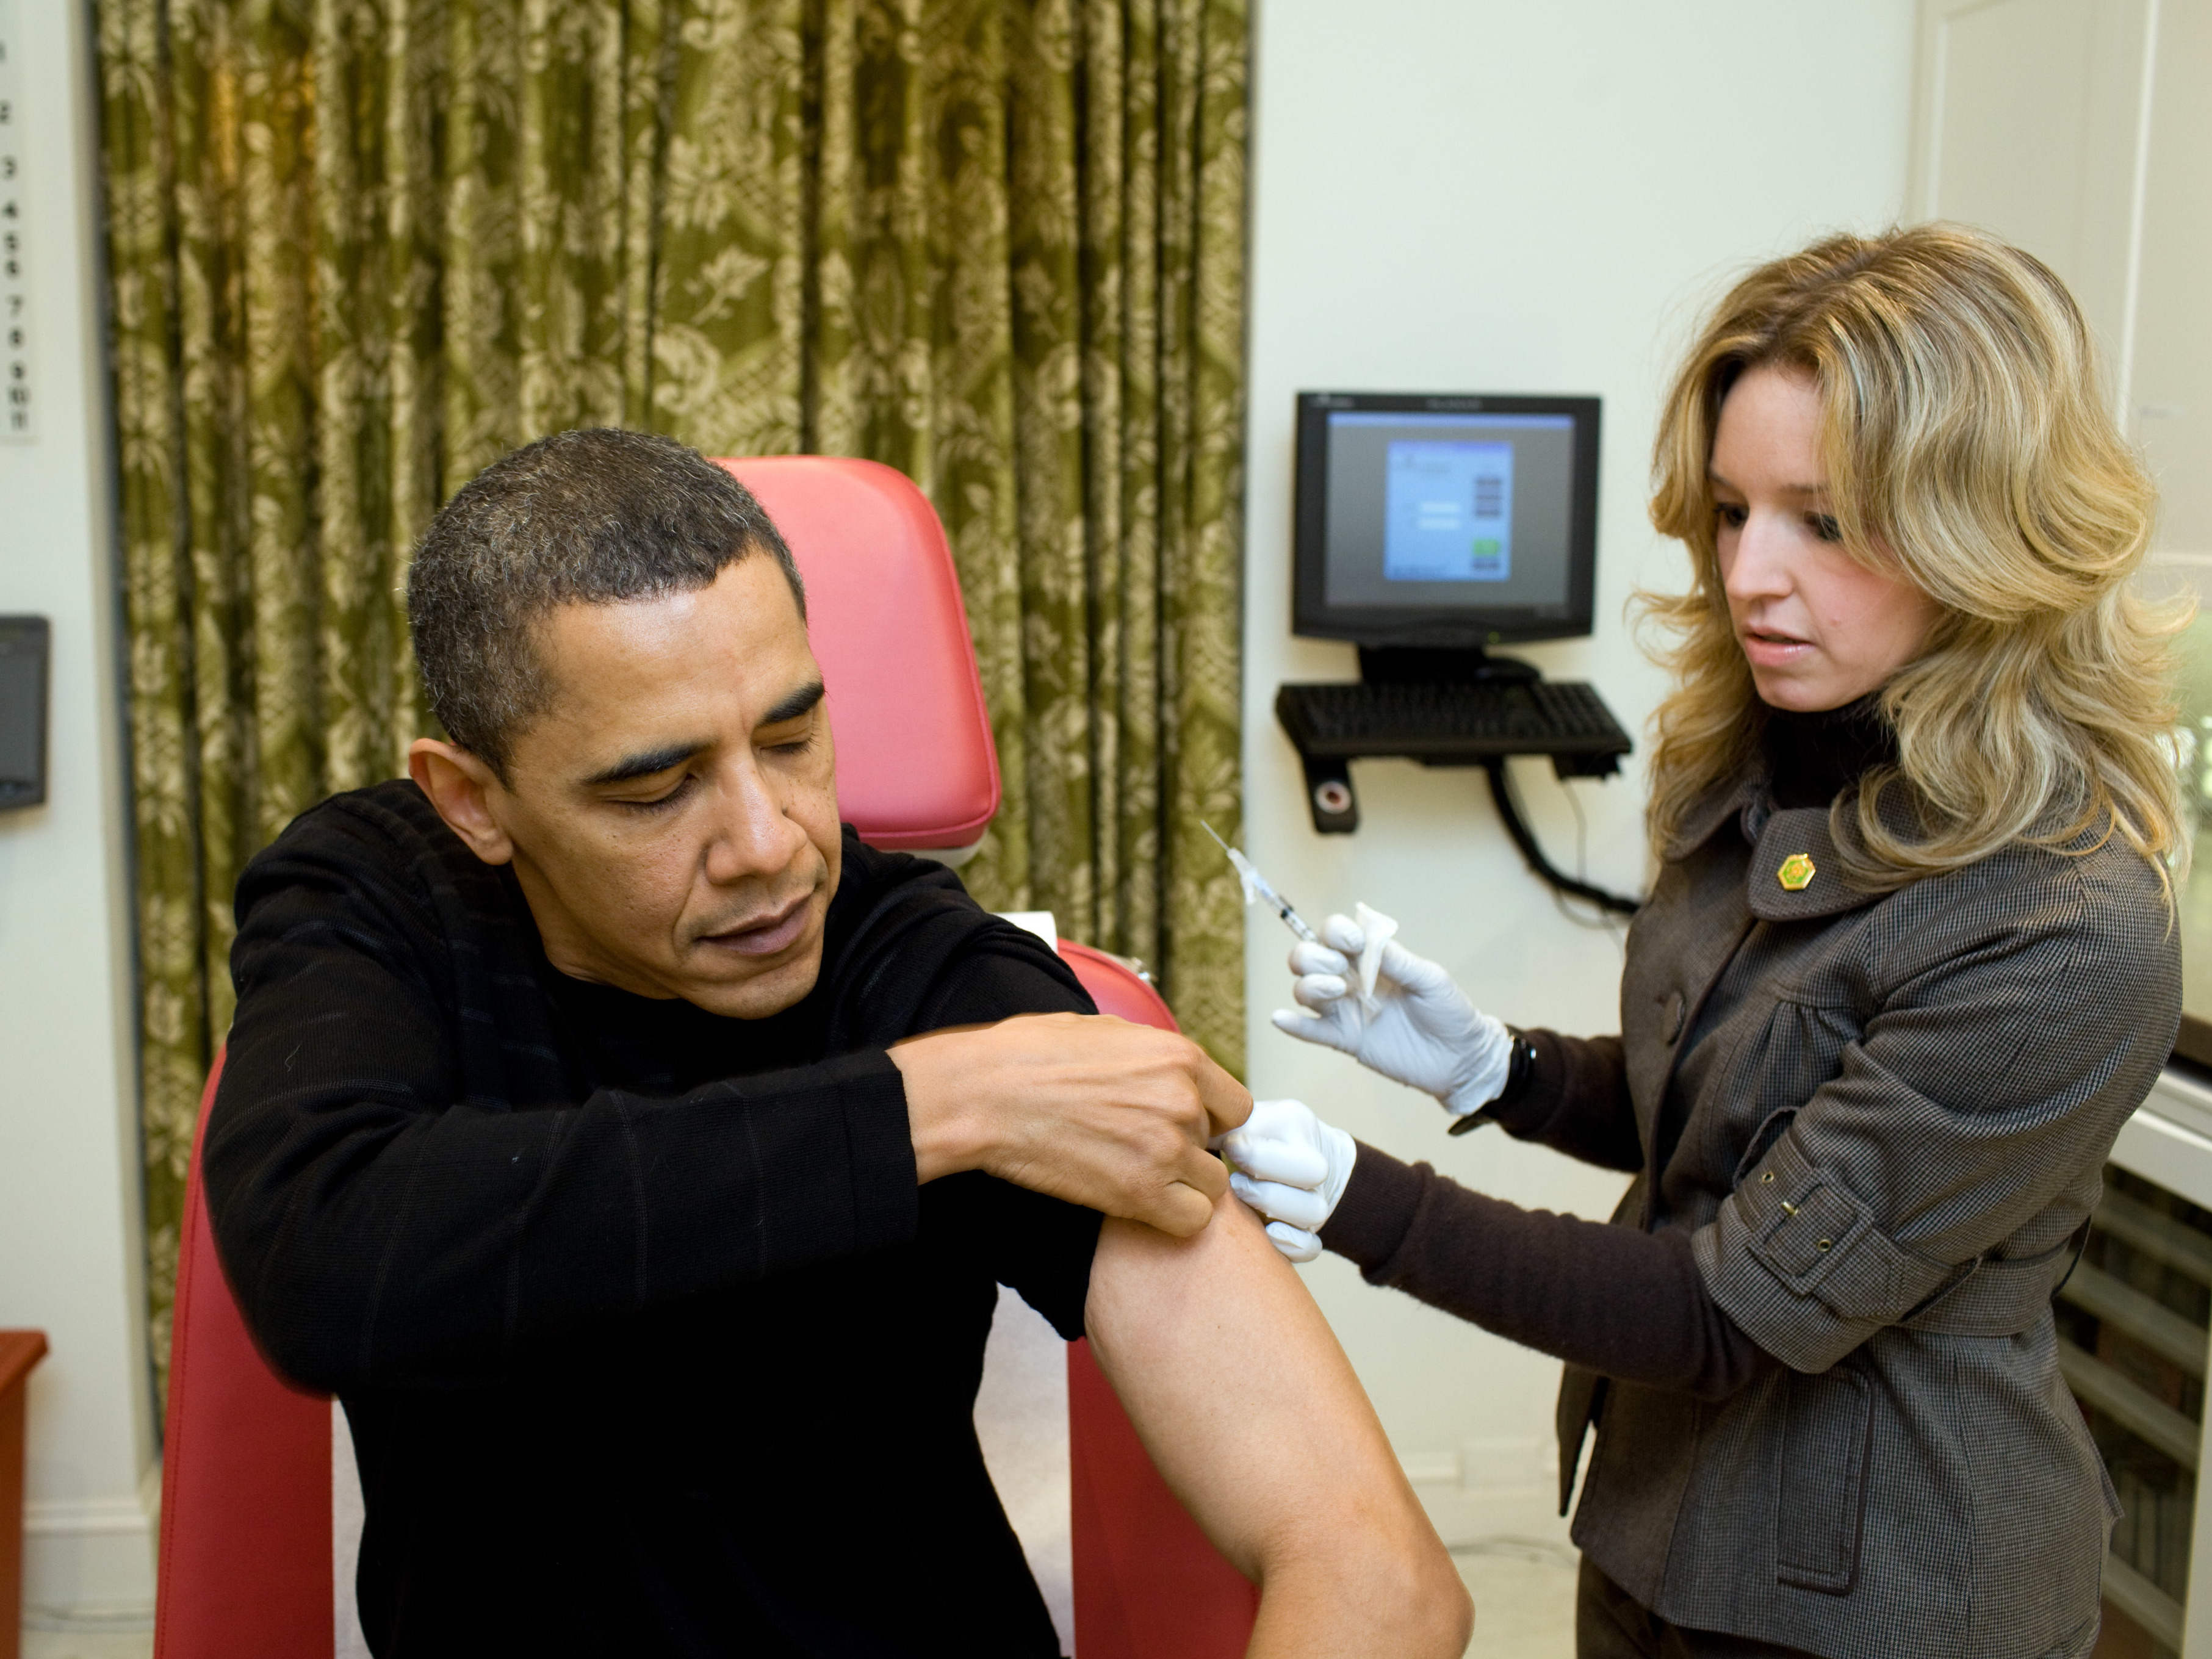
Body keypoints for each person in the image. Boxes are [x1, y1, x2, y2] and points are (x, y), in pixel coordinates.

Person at [203, 429, 1471, 1658]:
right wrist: (932, 1111)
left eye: (793, 737)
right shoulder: (378, 901)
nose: (770, 843)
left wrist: (956, 1077)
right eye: (657, 788)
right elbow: (329, 1261)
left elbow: (1378, 1578)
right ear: (475, 799)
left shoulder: (934, 979)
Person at [1219, 226, 2183, 1658]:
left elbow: (1726, 1307)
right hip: (1661, 1519)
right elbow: (1734, 1116)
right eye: (1734, 512)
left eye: (1827, 520)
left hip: (1885, 1591)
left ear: (1984, 527)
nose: (1751, 574)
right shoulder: (1763, 771)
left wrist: (1366, 1201)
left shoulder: (2062, 930)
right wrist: (1502, 1070)